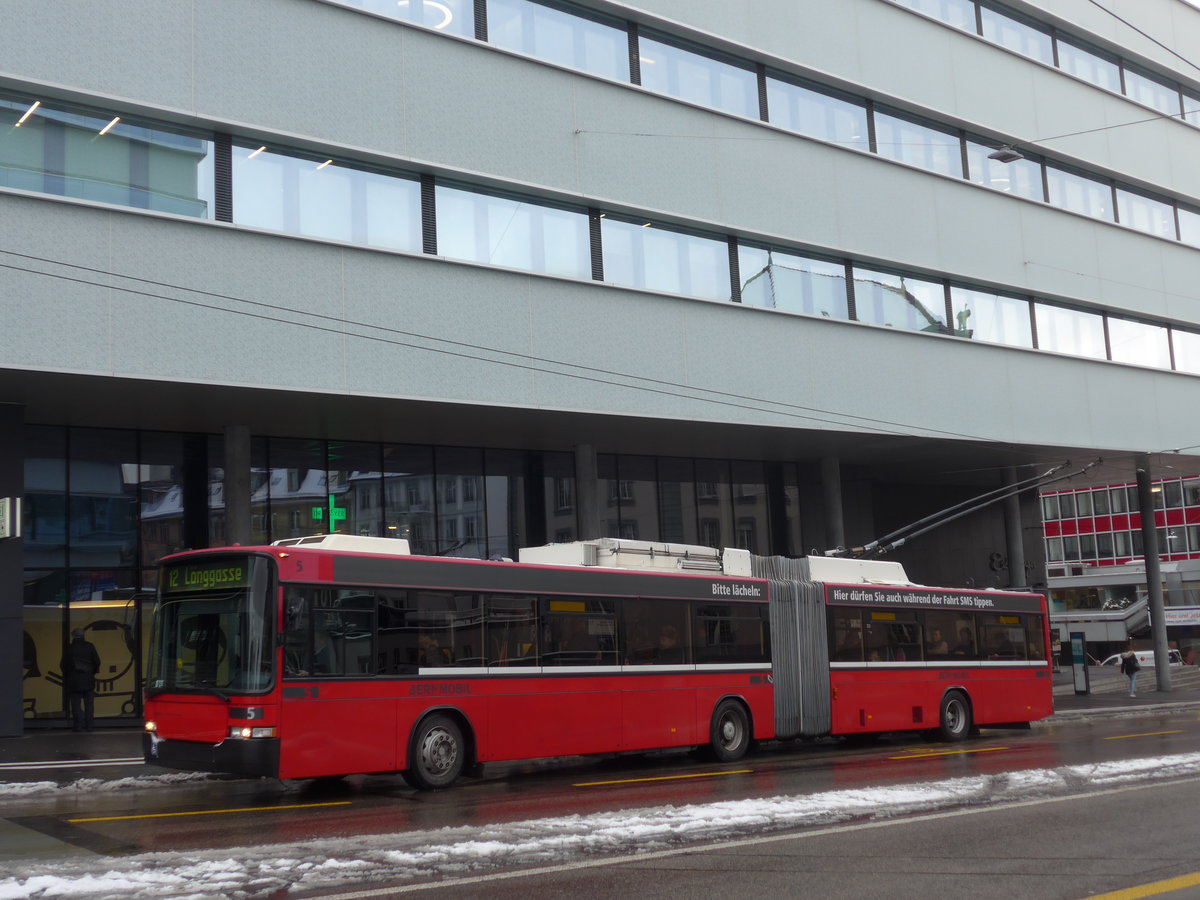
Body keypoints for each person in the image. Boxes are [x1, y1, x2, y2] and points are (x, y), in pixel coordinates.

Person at [61, 628, 101, 732]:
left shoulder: (70, 648)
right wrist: (92, 672)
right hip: (88, 679)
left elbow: (63, 665)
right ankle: (89, 725)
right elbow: (97, 662)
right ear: (83, 635)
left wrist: (68, 675)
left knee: (75, 703)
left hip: (74, 681)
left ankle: (78, 725)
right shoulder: (90, 646)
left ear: (73, 636)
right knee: (89, 704)